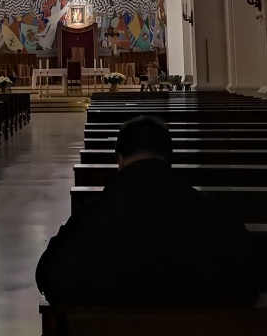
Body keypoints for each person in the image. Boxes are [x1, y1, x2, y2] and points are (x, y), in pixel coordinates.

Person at [36, 115, 255, 306]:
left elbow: (49, 276)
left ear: (120, 159)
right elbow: (248, 278)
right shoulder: (212, 213)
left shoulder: (90, 216)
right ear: (169, 158)